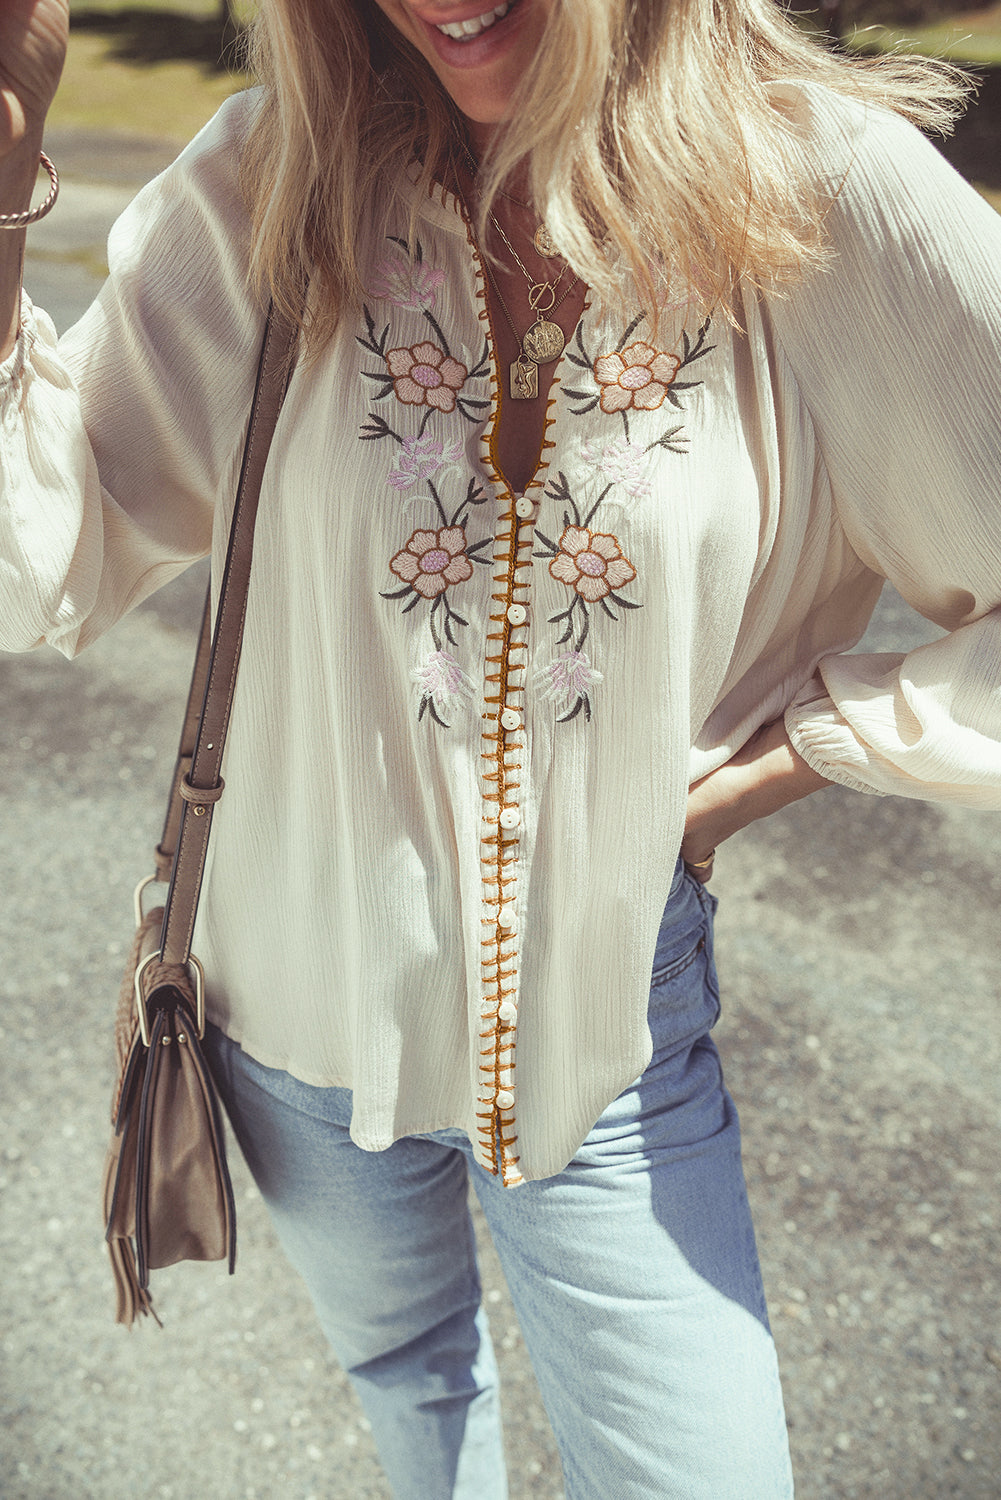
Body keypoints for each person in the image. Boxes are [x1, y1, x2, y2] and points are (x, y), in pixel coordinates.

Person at [2, 1, 1000, 1495]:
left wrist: (789, 756)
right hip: (283, 995)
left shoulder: (819, 194)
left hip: (607, 1037)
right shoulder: (282, 174)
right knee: (411, 1385)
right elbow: (34, 565)